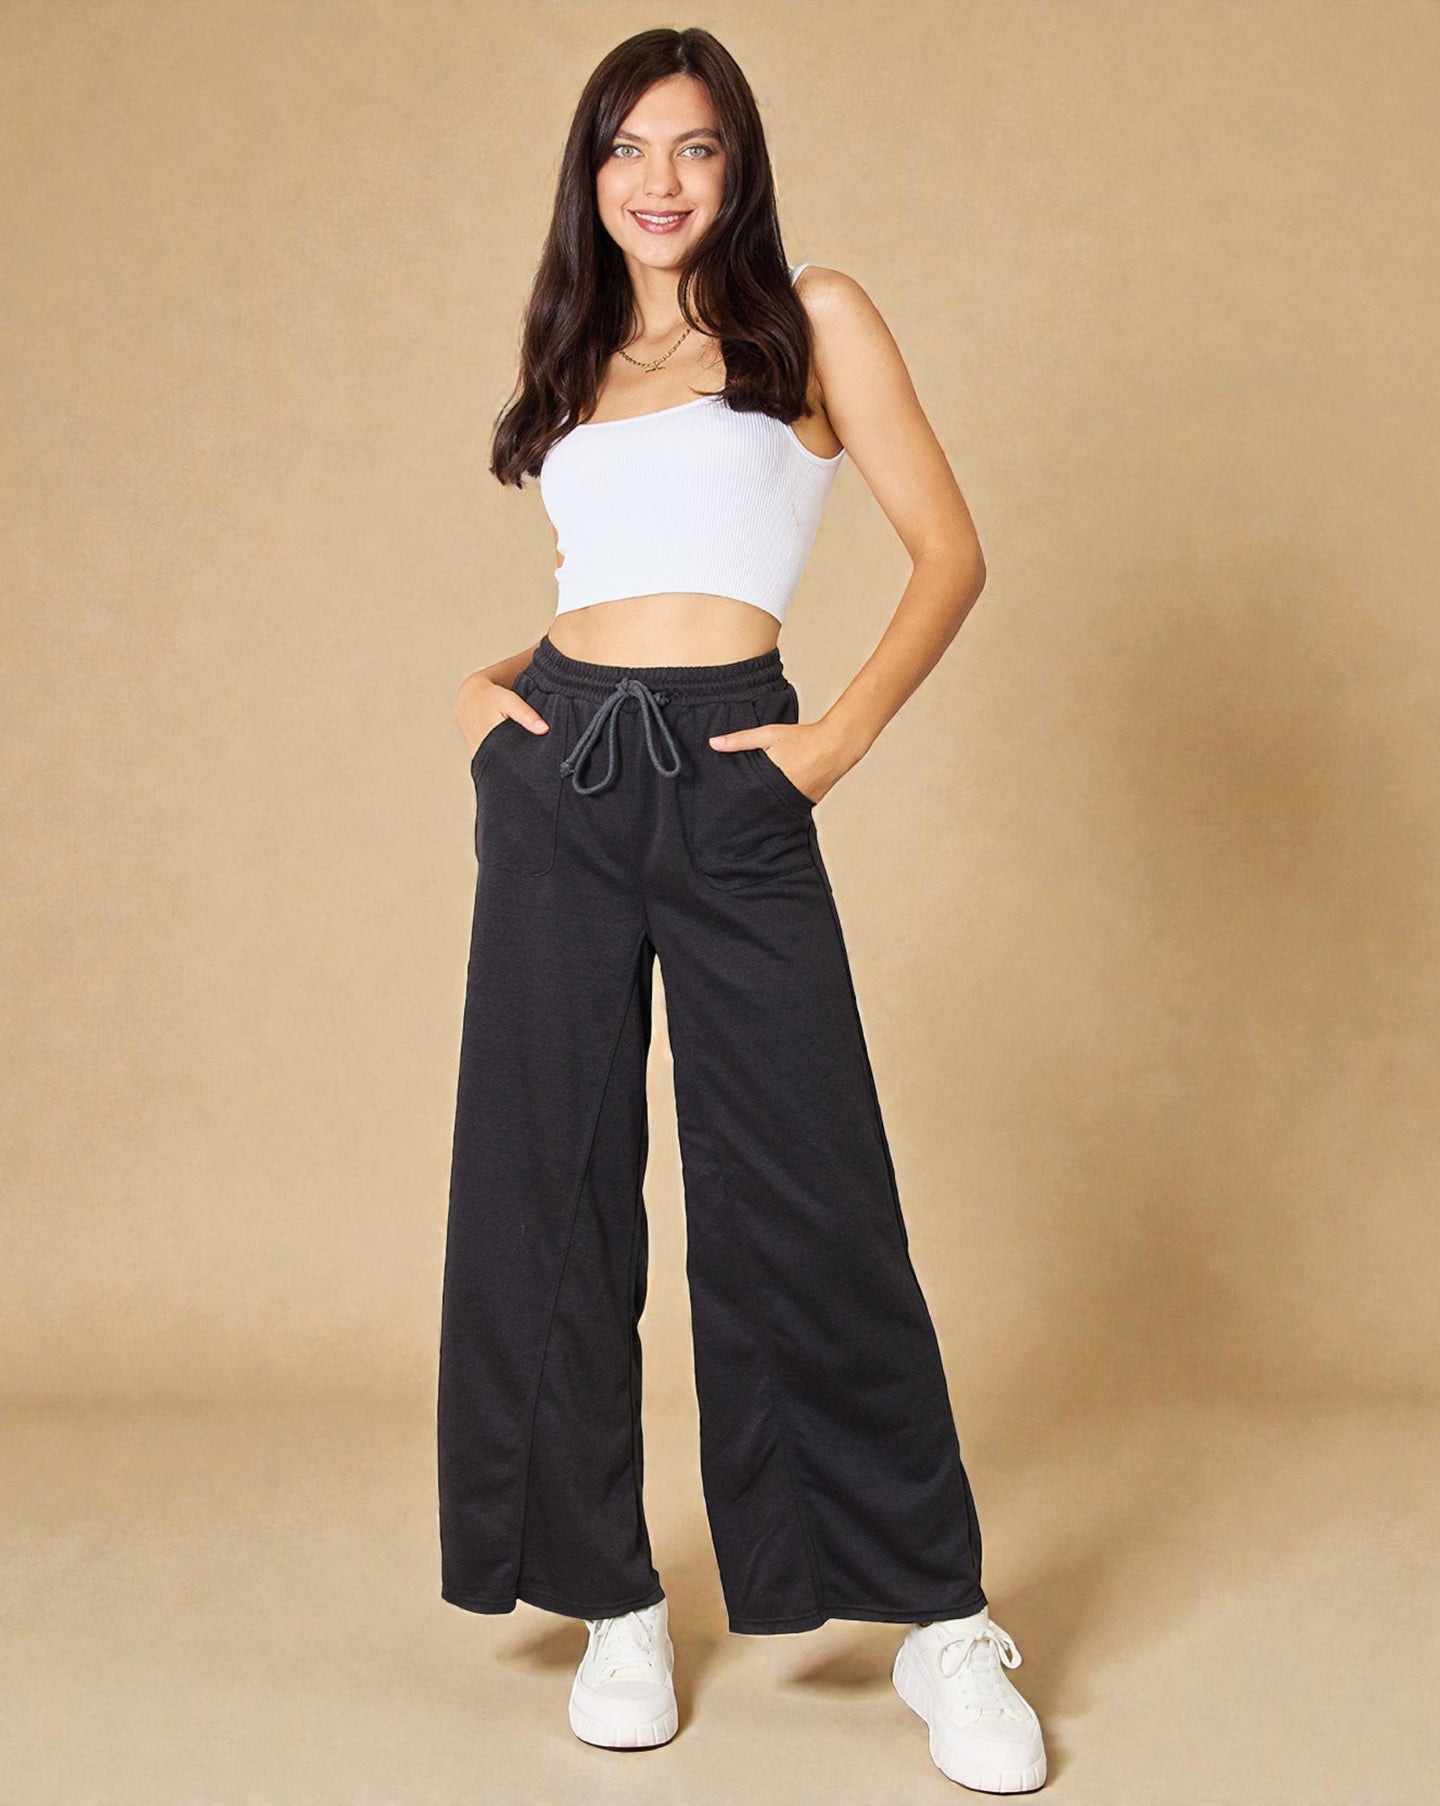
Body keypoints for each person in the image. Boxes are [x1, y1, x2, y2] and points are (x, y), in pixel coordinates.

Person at [436, 24, 1047, 1796]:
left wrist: (823, 748)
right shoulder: (572, 353)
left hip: (732, 776)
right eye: (627, 148)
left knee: (808, 1188)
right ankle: (607, 1586)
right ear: (591, 170)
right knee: (543, 1183)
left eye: (692, 148)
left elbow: (950, 553)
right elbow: (593, 594)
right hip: (561, 786)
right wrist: (488, 704)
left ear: (737, 163)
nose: (657, 180)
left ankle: (932, 1615)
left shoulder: (810, 317)